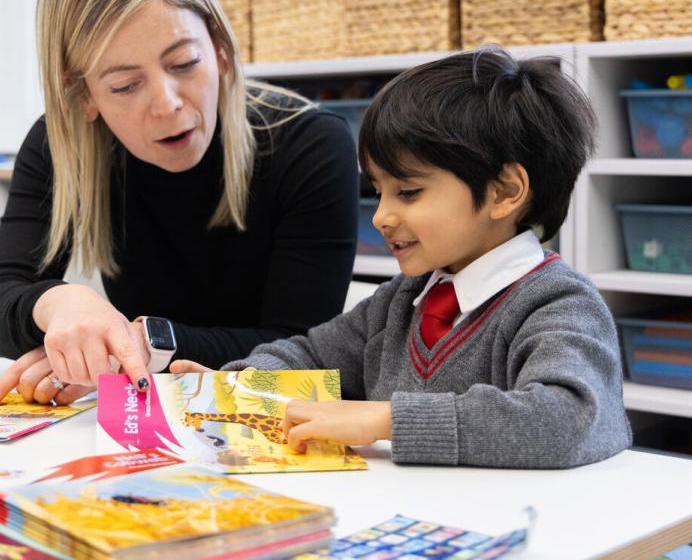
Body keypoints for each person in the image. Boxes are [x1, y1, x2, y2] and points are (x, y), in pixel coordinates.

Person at [173, 47, 633, 468]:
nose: (381, 217)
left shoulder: (558, 303)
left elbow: (568, 420)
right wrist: (239, 387)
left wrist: (385, 420)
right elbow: (306, 354)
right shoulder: (401, 301)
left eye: (408, 192)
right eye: (379, 193)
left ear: (505, 191)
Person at [0, 0, 359, 406]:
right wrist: (57, 303)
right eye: (124, 86)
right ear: (84, 95)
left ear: (219, 48)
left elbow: (303, 347)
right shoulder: (63, 141)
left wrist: (143, 343)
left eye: (184, 63)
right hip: (148, 412)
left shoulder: (310, 143)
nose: (167, 104)